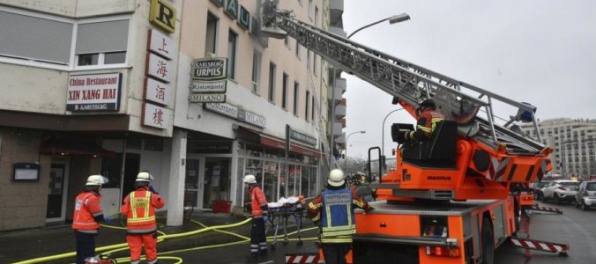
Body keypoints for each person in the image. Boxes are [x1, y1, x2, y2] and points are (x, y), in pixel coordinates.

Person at [307, 169, 371, 264]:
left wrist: (317, 221)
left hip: (328, 238)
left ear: (329, 181)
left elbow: (310, 207)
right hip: (345, 238)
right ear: (344, 181)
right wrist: (369, 208)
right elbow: (364, 205)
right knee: (341, 260)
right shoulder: (351, 195)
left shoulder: (323, 196)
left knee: (331, 261)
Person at [121, 171, 165, 264]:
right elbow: (161, 204)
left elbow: (124, 212)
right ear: (148, 184)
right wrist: (155, 194)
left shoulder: (130, 196)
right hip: (149, 231)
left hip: (133, 231)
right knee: (150, 251)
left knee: (135, 252)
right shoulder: (151, 195)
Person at [72, 175, 111, 264]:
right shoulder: (92, 198)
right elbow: (98, 216)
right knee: (88, 256)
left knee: (80, 254)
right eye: (101, 186)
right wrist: (104, 219)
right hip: (87, 230)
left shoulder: (80, 196)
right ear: (97, 186)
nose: (101, 188)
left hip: (78, 229)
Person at [243, 174, 269, 259]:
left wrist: (265, 214)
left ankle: (254, 253)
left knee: (254, 235)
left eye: (246, 183)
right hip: (259, 217)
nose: (245, 185)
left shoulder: (256, 190)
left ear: (250, 183)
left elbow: (263, 203)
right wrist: (250, 204)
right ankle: (263, 250)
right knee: (261, 234)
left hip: (258, 217)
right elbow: (257, 203)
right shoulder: (254, 191)